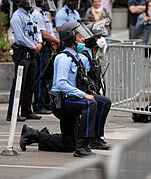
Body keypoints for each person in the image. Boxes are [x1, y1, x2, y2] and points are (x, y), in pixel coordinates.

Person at [19, 21, 110, 157]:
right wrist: (83, 95)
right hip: (62, 102)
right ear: (71, 39)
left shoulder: (77, 57)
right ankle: (83, 146)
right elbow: (61, 83)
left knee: (68, 144)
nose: (83, 40)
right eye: (79, 37)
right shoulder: (64, 58)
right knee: (90, 104)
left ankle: (34, 135)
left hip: (71, 100)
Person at [6, 0, 43, 122]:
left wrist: (40, 42)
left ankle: (27, 111)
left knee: (30, 84)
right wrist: (33, 45)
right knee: (18, 85)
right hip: (22, 55)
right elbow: (20, 37)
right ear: (18, 1)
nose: (28, 0)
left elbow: (37, 30)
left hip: (32, 55)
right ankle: (12, 113)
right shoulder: (17, 16)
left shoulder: (30, 14)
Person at [76, 24, 111, 148]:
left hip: (91, 92)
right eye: (98, 37)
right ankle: (94, 138)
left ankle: (97, 136)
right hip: (83, 93)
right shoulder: (84, 57)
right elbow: (80, 79)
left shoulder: (94, 55)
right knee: (104, 102)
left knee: (104, 102)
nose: (101, 39)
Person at [32, 0, 59, 114]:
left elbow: (50, 31)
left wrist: (54, 42)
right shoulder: (37, 14)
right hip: (42, 48)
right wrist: (57, 41)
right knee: (41, 78)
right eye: (46, 1)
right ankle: (39, 104)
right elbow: (44, 34)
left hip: (49, 47)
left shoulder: (44, 14)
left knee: (47, 78)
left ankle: (46, 103)